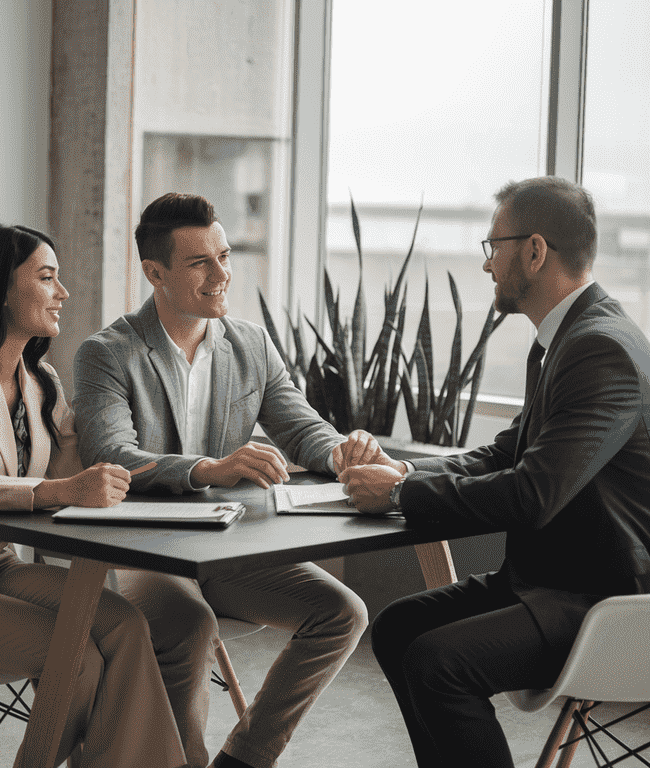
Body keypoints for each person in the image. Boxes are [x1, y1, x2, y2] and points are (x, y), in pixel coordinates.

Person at [339, 176, 650, 767]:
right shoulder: (562, 340)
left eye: (493, 248)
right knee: (399, 628)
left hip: (606, 600)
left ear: (534, 251)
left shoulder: (600, 347)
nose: (487, 266)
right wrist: (403, 467)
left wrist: (403, 493)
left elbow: (532, 494)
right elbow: (507, 451)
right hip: (551, 581)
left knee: (438, 662)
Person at [73, 193, 376, 768]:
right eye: (199, 263)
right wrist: (209, 469)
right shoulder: (106, 354)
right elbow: (112, 454)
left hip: (226, 550)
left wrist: (345, 452)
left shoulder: (250, 344)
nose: (222, 275)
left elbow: (302, 428)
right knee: (188, 625)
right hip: (142, 551)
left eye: (224, 255)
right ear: (154, 273)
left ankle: (243, 759)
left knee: (343, 613)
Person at [0, 224, 188, 768]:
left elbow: (81, 476)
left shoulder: (41, 380)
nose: (63, 292)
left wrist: (148, 461)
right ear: (0, 289)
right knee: (77, 659)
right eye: (47, 277)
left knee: (125, 624)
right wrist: (60, 488)